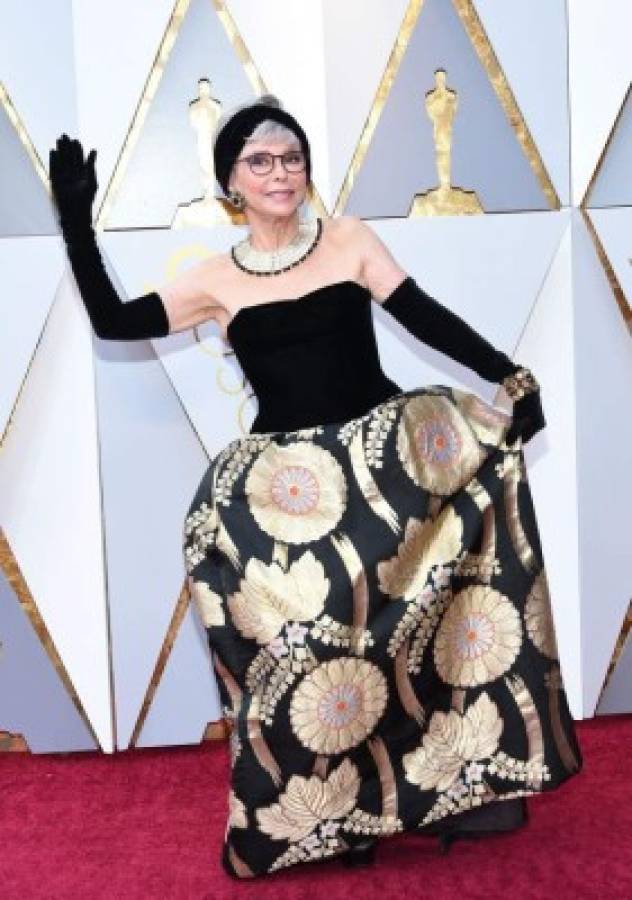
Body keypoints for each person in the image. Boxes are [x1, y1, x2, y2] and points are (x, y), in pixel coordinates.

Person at [49, 94, 581, 880]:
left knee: (422, 629)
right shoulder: (214, 279)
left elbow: (425, 316)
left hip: (383, 468)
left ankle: (468, 788)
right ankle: (333, 812)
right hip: (291, 492)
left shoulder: (350, 241)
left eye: (292, 158)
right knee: (314, 657)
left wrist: (507, 373)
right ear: (232, 180)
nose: (280, 172)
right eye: (260, 161)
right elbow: (114, 323)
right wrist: (76, 224)